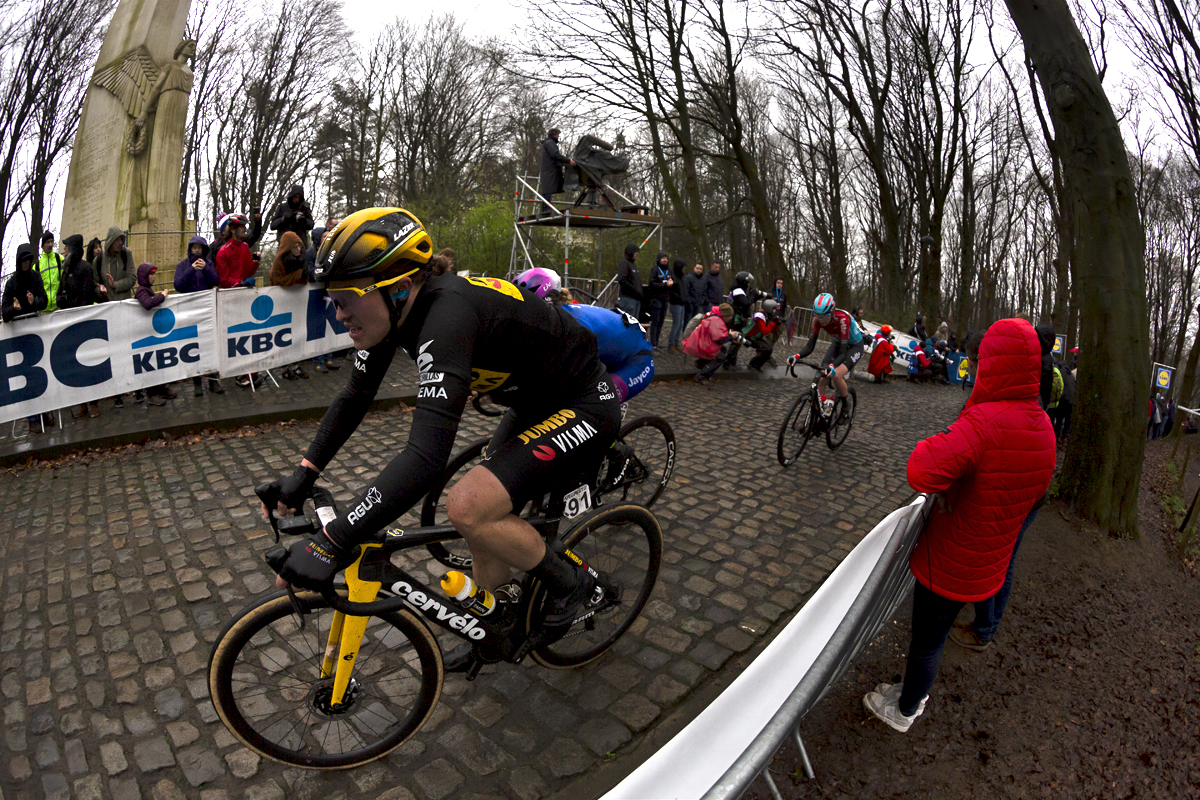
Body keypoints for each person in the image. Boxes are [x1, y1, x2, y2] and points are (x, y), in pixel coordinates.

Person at [261, 208, 619, 673]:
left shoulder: (446, 317)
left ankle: (573, 584)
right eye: (332, 298)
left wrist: (335, 539)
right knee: (484, 521)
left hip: (584, 402)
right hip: (532, 403)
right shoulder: (396, 311)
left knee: (469, 505)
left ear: (400, 286)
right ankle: (498, 621)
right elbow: (355, 395)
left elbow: (426, 458)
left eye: (347, 296)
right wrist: (304, 474)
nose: (339, 312)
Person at [863, 318, 1055, 732]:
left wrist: (963, 422)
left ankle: (906, 708)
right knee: (935, 638)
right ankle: (912, 693)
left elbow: (922, 469)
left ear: (993, 363)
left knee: (927, 643)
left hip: (951, 564)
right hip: (990, 563)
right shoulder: (1044, 427)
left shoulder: (983, 422)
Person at [515, 268, 654, 403]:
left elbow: (565, 374)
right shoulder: (557, 318)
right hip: (609, 354)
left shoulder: (574, 327)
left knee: (592, 405)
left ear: (548, 304)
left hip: (637, 361)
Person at [788, 293, 865, 418]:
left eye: (824, 315)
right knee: (822, 376)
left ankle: (845, 404)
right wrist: (797, 356)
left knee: (837, 375)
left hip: (854, 346)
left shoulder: (842, 319)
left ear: (832, 311)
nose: (821, 319)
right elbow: (810, 346)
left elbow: (843, 353)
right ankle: (822, 409)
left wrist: (833, 365)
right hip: (838, 342)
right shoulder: (816, 320)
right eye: (818, 315)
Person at [174, 236, 225, 397]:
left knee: (210, 345)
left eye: (199, 248)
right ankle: (197, 382)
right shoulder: (182, 265)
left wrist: (206, 269)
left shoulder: (209, 264)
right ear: (190, 249)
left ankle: (213, 381)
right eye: (194, 248)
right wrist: (191, 270)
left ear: (204, 250)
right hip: (190, 311)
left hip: (207, 311)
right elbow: (178, 285)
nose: (197, 251)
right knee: (194, 347)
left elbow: (216, 280)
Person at [133, 263, 178, 405]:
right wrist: (162, 296)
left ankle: (161, 388)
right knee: (151, 363)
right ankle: (152, 393)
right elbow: (147, 304)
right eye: (151, 274)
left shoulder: (146, 289)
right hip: (147, 333)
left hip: (153, 331)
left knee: (158, 361)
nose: (154, 277)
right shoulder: (142, 291)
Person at [270, 231, 311, 381]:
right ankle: (284, 367)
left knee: (297, 334)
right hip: (282, 304)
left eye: (299, 246)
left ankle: (295, 364)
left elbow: (302, 279)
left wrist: (305, 275)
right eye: (295, 246)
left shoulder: (301, 259)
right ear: (288, 247)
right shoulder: (279, 262)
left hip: (296, 301)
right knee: (284, 336)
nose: (298, 249)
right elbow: (278, 280)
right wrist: (299, 275)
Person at [685, 303, 739, 383]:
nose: (731, 318)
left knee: (722, 349)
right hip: (702, 345)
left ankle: (701, 364)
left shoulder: (712, 315)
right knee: (721, 356)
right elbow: (720, 339)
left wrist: (731, 337)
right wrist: (731, 336)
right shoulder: (716, 320)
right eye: (729, 315)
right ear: (725, 315)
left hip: (699, 341)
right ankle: (701, 376)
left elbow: (716, 335)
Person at [3, 244, 48, 322]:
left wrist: (34, 301)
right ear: (19, 261)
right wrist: (13, 308)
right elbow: (4, 314)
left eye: (28, 259)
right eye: (24, 260)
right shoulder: (11, 283)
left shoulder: (36, 276)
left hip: (33, 323)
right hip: (17, 326)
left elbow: (44, 300)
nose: (26, 262)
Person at [57, 234, 100, 311]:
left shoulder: (86, 268)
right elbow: (59, 293)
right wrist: (61, 301)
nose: (64, 248)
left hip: (80, 316)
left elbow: (87, 297)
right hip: (66, 315)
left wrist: (71, 304)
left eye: (66, 245)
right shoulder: (66, 268)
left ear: (71, 248)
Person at [740, 298, 783, 371]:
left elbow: (771, 331)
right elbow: (764, 331)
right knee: (765, 349)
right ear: (769, 308)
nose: (775, 311)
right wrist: (773, 322)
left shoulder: (767, 316)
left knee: (769, 349)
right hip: (750, 337)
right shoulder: (760, 316)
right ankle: (752, 364)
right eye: (774, 309)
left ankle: (757, 365)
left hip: (756, 337)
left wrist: (777, 324)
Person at [95, 226, 137, 301]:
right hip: (108, 305)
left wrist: (115, 284)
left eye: (121, 239)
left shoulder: (126, 254)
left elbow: (132, 278)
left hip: (125, 303)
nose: (120, 242)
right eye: (117, 240)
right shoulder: (99, 259)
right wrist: (100, 289)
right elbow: (94, 282)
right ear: (110, 241)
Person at [538, 128, 574, 213]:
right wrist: (568, 161)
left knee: (548, 190)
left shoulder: (547, 143)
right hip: (550, 171)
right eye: (558, 134)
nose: (558, 136)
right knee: (548, 190)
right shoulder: (550, 143)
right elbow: (555, 155)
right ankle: (546, 209)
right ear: (554, 134)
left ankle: (545, 208)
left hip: (548, 170)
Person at [645, 251, 671, 348]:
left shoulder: (669, 270)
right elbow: (652, 283)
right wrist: (664, 285)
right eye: (663, 258)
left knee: (661, 322)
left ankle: (657, 342)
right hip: (656, 299)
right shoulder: (655, 270)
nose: (665, 260)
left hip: (665, 299)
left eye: (666, 258)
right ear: (659, 259)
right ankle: (652, 343)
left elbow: (672, 282)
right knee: (655, 322)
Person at [37, 231, 63, 313]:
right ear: (42, 246)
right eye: (48, 242)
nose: (50, 244)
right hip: (43, 310)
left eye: (52, 241)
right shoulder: (37, 266)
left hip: (58, 308)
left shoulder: (59, 259)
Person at [616, 243, 642, 320]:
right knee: (627, 322)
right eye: (636, 251)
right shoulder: (624, 263)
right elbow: (622, 280)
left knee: (634, 322)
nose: (637, 253)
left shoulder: (633, 265)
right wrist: (634, 290)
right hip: (627, 299)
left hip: (635, 299)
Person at [666, 258, 687, 354]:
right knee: (676, 324)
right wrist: (679, 298)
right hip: (676, 303)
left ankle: (676, 342)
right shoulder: (673, 277)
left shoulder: (681, 277)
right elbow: (671, 291)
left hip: (681, 303)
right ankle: (671, 345)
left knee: (680, 324)